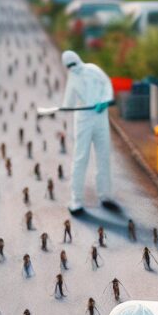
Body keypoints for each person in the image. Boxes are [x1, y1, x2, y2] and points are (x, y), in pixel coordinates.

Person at [60, 50, 118, 217]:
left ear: (79, 59)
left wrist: (105, 100)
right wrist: (64, 107)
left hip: (100, 117)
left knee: (104, 156)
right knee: (81, 158)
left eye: (74, 63)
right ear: (66, 67)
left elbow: (107, 84)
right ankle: (76, 200)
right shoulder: (72, 79)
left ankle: (105, 194)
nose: (73, 67)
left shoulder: (94, 69)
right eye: (69, 65)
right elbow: (69, 103)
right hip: (84, 121)